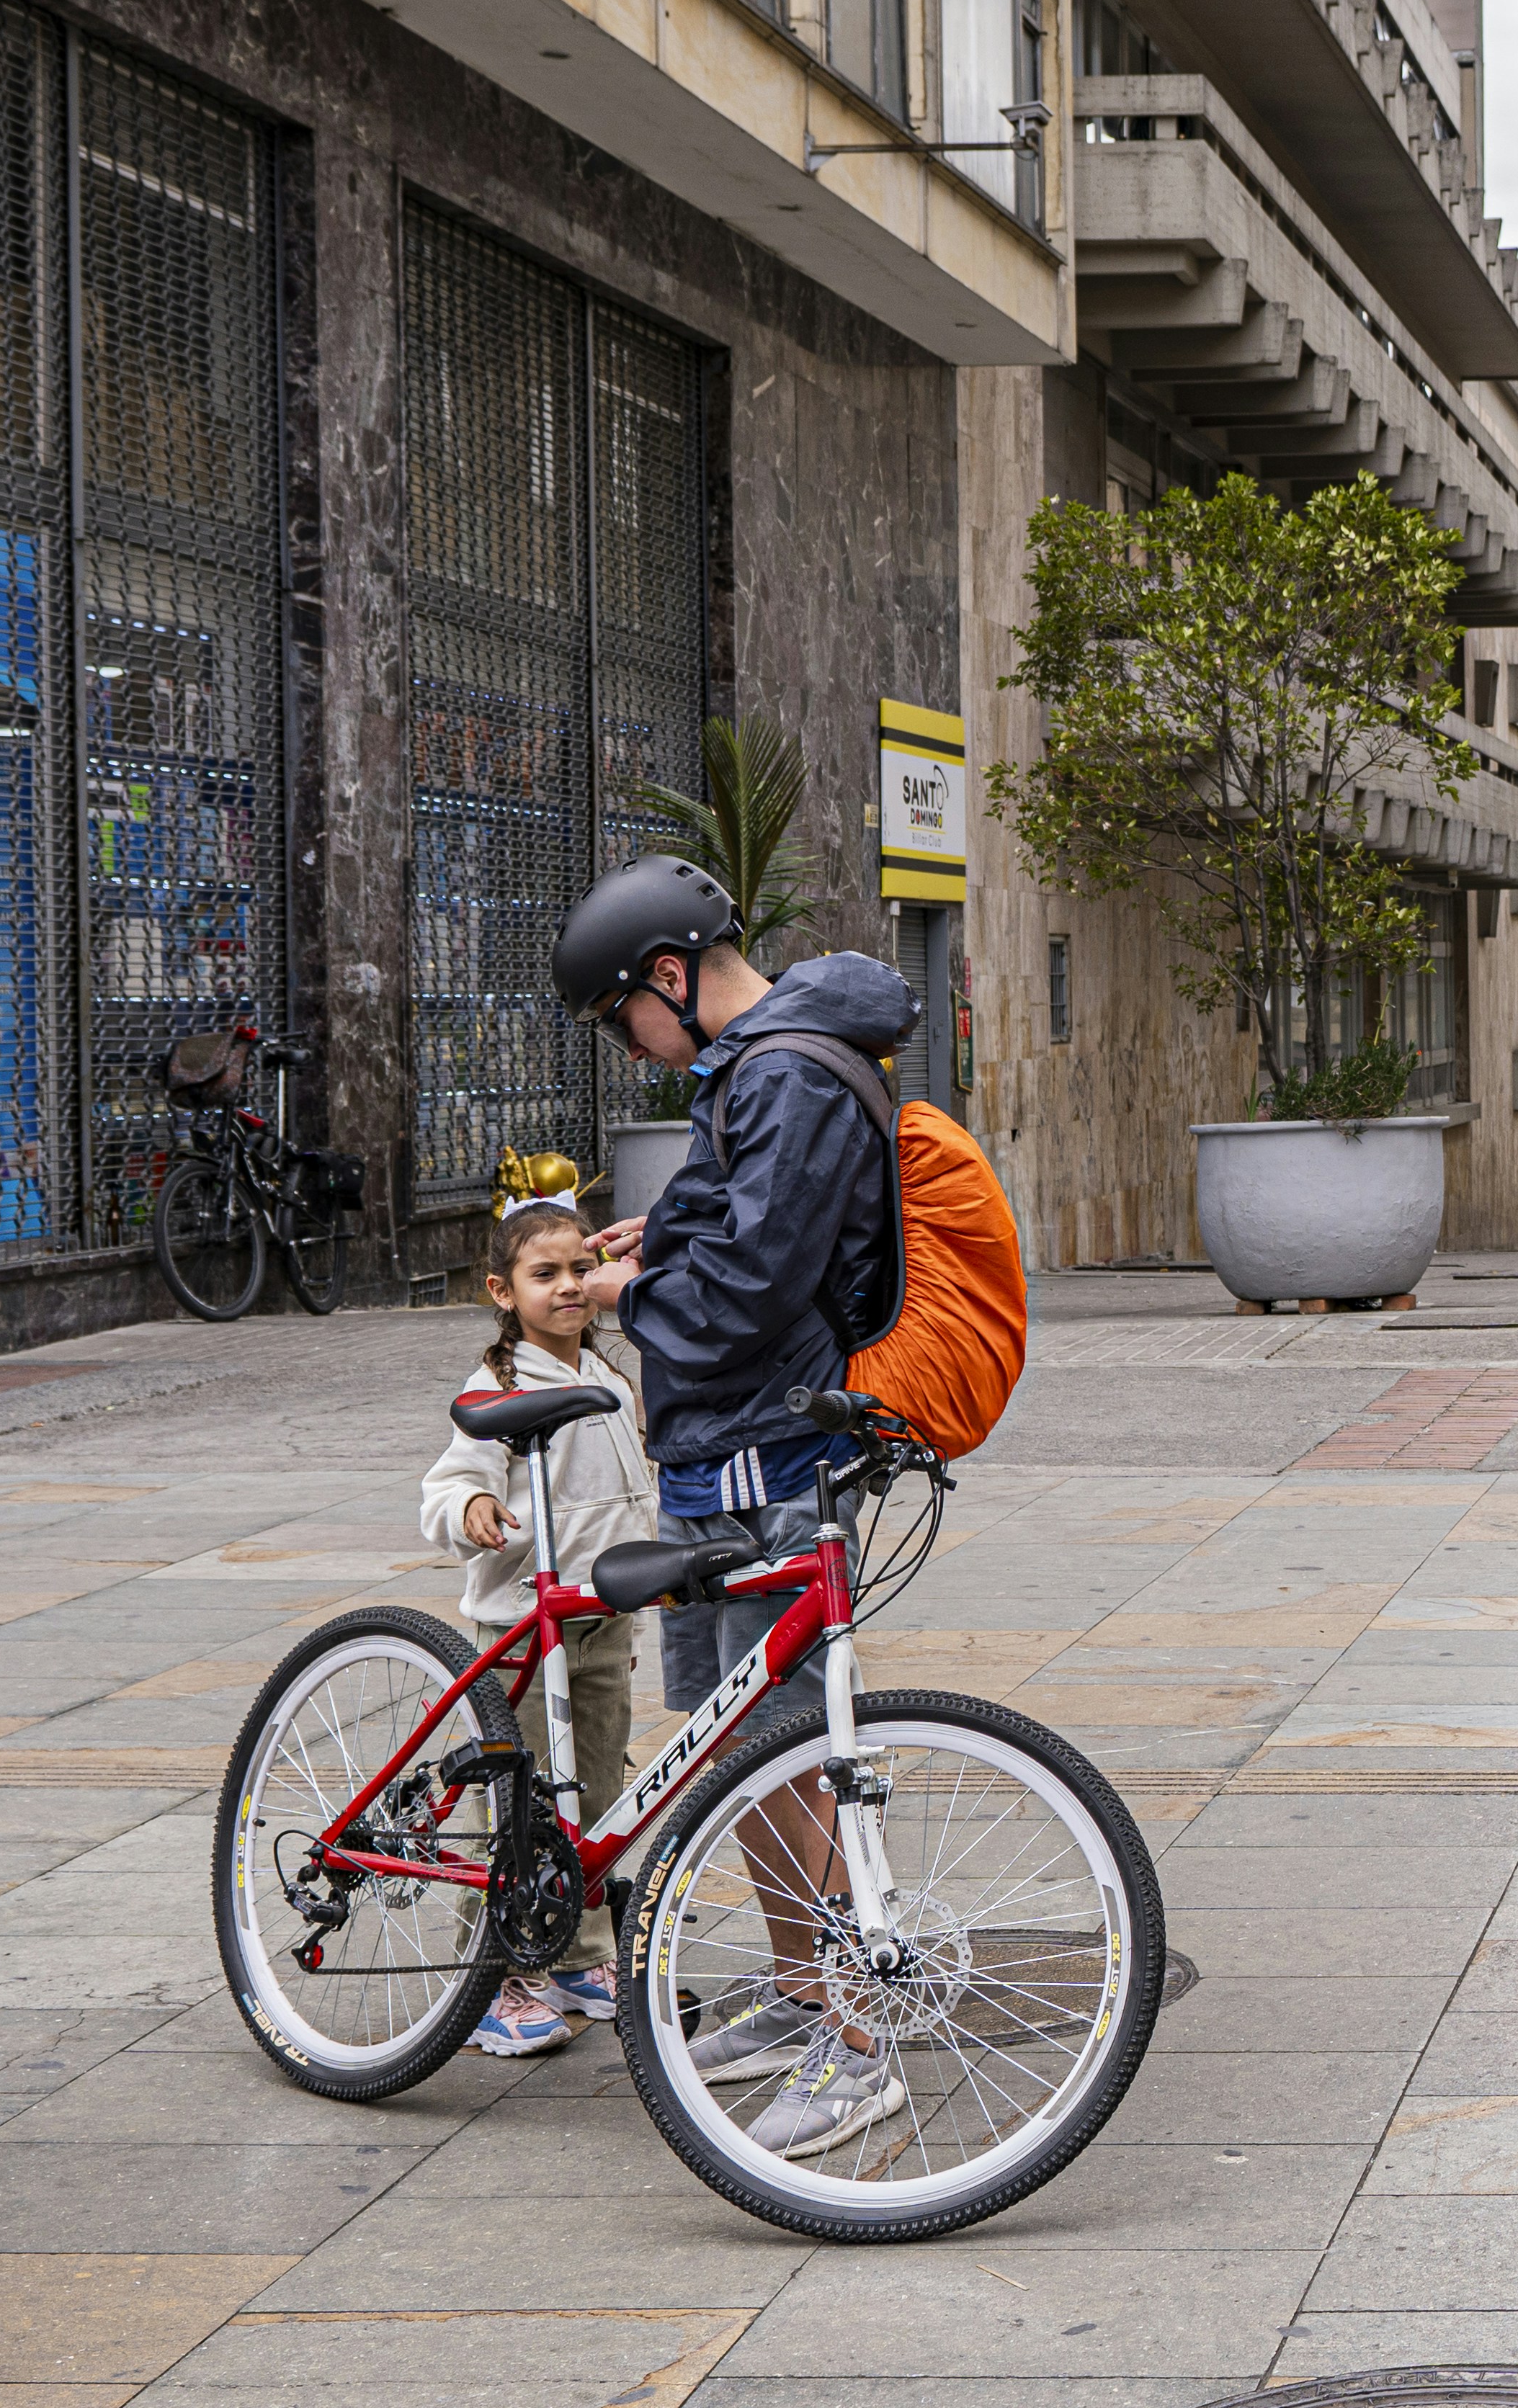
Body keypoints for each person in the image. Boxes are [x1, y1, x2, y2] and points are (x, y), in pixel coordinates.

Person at [550, 855, 921, 2160]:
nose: (631, 1048)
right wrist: (660, 1235)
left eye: (622, 1020)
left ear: (668, 975)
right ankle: (801, 1990)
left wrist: (623, 1297)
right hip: (721, 1444)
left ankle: (855, 2039)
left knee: (789, 1752)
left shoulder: (784, 1072)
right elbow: (755, 1223)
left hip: (769, 1450)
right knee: (737, 1750)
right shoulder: (758, 1067)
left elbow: (759, 1283)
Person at [419, 1196, 655, 2059]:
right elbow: (449, 1481)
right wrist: (472, 1506)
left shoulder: (613, 1379)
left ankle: (579, 1954)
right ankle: (492, 1977)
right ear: (502, 1289)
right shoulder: (500, 1387)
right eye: (544, 1272)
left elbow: (636, 1490)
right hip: (520, 1632)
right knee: (518, 1811)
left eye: (580, 1269)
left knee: (594, 1798)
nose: (567, 1286)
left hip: (602, 1626)